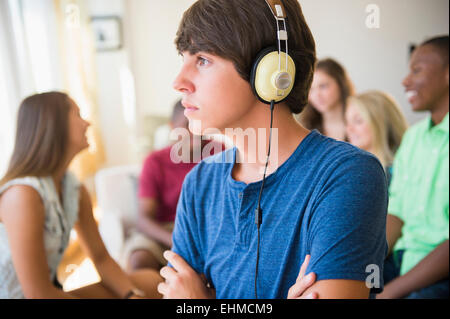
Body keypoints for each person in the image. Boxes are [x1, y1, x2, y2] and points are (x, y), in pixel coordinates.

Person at [157, 0, 388, 299]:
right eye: (183, 58)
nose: (179, 82)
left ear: (269, 72)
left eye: (202, 59)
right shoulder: (199, 184)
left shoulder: (348, 175)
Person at [0, 92, 163, 299]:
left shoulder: (74, 190)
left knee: (151, 281)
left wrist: (131, 295)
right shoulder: (22, 196)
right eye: (77, 114)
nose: (87, 123)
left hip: (45, 293)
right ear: (54, 125)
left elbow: (101, 258)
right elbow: (38, 294)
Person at [378, 35, 449, 299]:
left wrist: (388, 293)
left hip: (438, 275)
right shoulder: (414, 137)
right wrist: (357, 265)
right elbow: (396, 214)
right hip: (401, 262)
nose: (405, 81)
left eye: (416, 70)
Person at [125, 100, 223, 272]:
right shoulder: (155, 161)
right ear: (172, 127)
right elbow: (144, 219)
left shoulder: (220, 152)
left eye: (200, 123)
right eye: (187, 125)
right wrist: (178, 241)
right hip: (166, 231)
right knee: (139, 259)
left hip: (208, 229)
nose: (196, 131)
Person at [345, 90, 409, 184]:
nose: (349, 129)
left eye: (358, 121)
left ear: (380, 123)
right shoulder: (351, 170)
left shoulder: (401, 170)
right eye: (347, 122)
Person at [298, 58, 355, 141]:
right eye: (311, 89)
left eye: (323, 86)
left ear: (341, 84)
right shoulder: (306, 128)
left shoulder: (360, 125)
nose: (316, 95)